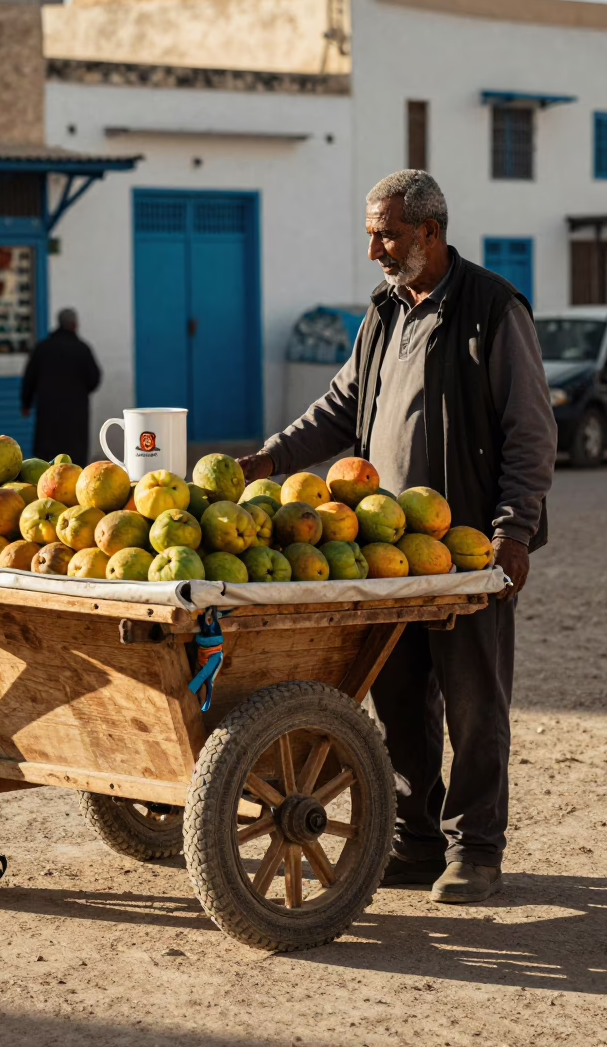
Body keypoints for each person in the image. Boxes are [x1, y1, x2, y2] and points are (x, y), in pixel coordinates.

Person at [238, 171, 557, 905]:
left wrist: (514, 531)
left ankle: (476, 849)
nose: (376, 248)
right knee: (401, 697)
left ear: (430, 232)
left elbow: (530, 433)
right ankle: (416, 843)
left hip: (467, 552)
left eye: (387, 234)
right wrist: (271, 456)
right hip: (388, 551)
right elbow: (340, 405)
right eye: (371, 234)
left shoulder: (492, 307)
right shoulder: (383, 312)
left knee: (476, 701)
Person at [21, 308, 101, 465]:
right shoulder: (82, 349)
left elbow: (29, 378)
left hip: (48, 412)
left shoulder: (43, 348)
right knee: (74, 459)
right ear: (74, 325)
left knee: (46, 458)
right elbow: (94, 379)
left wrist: (26, 403)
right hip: (76, 414)